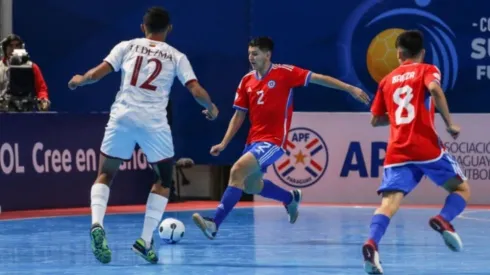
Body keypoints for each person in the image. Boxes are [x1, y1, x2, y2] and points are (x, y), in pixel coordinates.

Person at [67, 6, 218, 264]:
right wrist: (211, 107)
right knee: (164, 180)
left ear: (142, 27)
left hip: (122, 117)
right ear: (169, 29)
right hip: (153, 124)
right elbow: (195, 90)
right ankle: (144, 241)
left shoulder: (126, 46)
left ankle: (96, 224)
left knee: (105, 173)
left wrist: (79, 80)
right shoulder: (176, 56)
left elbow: (95, 74)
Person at [191, 36, 370, 240]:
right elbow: (239, 115)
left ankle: (214, 223)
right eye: (249, 53)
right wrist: (224, 143)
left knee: (237, 170)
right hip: (253, 141)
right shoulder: (246, 81)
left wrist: (349, 88)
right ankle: (289, 198)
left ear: (268, 55)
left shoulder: (285, 73)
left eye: (255, 53)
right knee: (251, 186)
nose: (251, 57)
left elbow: (319, 78)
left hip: (274, 141)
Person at [362, 30, 470, 274]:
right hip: (425, 147)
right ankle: (443, 220)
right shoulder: (426, 69)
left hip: (397, 150)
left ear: (398, 54)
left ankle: (371, 243)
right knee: (462, 188)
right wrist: (450, 123)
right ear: (421, 52)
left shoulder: (386, 81)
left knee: (389, 203)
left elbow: (376, 120)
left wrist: (401, 116)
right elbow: (434, 90)